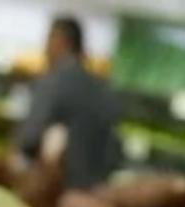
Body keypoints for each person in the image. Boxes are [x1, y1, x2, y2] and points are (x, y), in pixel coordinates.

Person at [17, 15, 121, 190]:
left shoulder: (52, 82)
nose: (45, 49)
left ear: (60, 41)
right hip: (96, 194)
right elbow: (114, 151)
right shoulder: (103, 89)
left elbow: (30, 139)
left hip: (56, 192)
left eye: (48, 40)